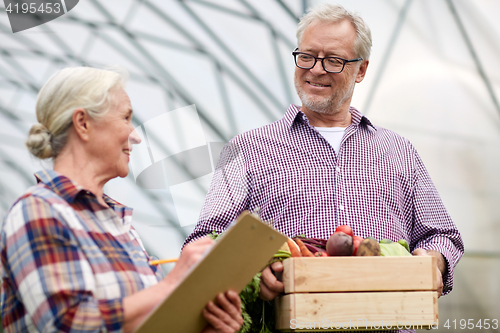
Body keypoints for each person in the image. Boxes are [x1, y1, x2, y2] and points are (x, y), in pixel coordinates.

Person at [185, 2, 464, 311]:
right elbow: (202, 244)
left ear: (361, 70)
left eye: (333, 60)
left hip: (390, 323)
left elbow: (442, 235)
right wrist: (252, 274)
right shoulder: (248, 149)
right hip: (293, 324)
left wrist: (433, 262)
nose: (316, 69)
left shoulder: (398, 150)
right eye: (306, 56)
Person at [0, 67, 243, 333]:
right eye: (126, 118)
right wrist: (171, 284)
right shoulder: (38, 211)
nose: (135, 135)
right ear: (82, 123)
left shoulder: (120, 226)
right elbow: (69, 323)